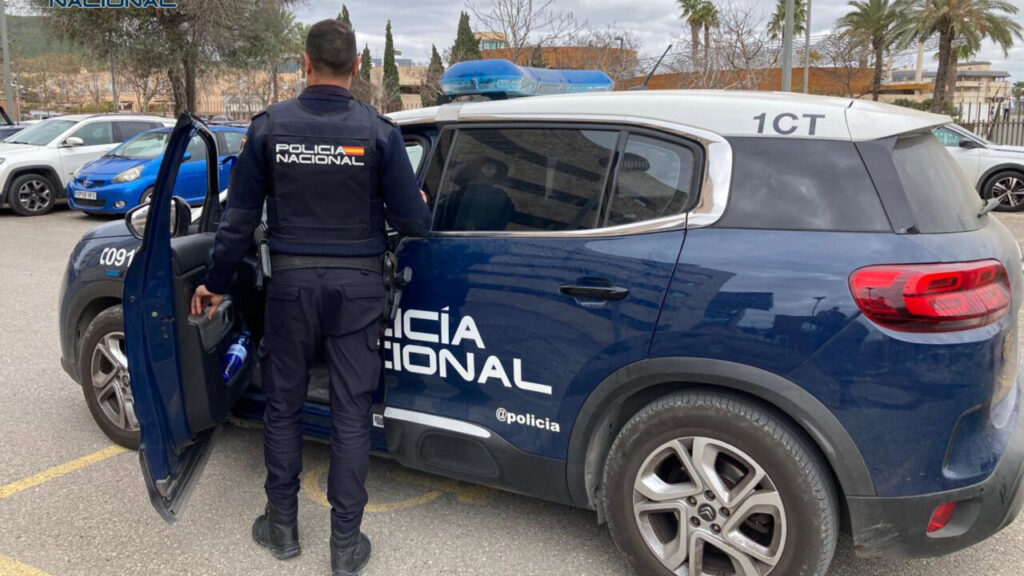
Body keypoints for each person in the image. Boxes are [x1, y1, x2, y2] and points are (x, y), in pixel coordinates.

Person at [190, 19, 431, 576]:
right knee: (350, 414)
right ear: (354, 68)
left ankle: (282, 529)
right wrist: (414, 198)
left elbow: (237, 223)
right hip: (359, 292)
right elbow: (413, 221)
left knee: (284, 407)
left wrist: (215, 282)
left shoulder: (269, 128)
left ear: (304, 64)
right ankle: (345, 548)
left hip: (292, 289)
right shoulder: (379, 132)